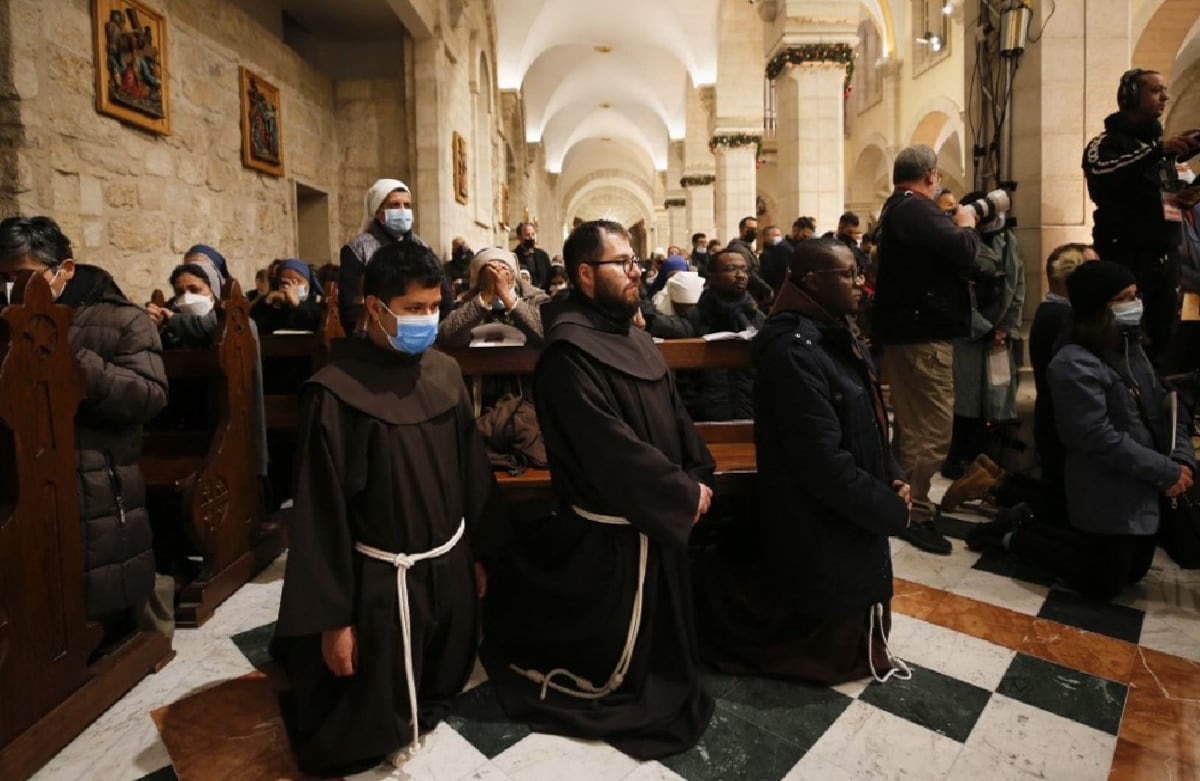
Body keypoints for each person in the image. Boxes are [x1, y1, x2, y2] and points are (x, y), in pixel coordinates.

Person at [480, 219, 716, 760]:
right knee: (621, 677)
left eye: (636, 261)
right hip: (611, 541)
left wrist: (697, 473)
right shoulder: (569, 352)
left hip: (654, 523)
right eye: (624, 263)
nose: (638, 271)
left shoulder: (633, 335)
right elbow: (611, 450)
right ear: (586, 274)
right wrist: (679, 494)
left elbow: (676, 417)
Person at [272, 241, 500, 776]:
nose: (427, 320)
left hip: (445, 562)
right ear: (374, 307)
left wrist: (477, 553)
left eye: (433, 307)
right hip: (378, 581)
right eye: (414, 309)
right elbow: (320, 517)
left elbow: (472, 476)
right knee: (351, 730)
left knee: (441, 683)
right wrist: (334, 620)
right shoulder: (334, 393)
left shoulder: (443, 373)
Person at [694, 238, 912, 683]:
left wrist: (892, 474)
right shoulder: (794, 350)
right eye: (849, 274)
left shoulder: (834, 333)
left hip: (850, 506)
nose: (860, 282)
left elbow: (869, 417)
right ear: (812, 281)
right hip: (816, 518)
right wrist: (888, 509)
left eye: (859, 271)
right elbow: (821, 460)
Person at [968, 261, 1195, 600]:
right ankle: (1013, 536)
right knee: (1102, 585)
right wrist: (1163, 470)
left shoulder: (1131, 348)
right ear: (1097, 307)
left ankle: (1032, 519)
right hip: (1107, 487)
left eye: (1135, 296)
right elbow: (1095, 436)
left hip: (1143, 481)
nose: (1134, 305)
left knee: (1134, 572)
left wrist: (1181, 457)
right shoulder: (1073, 361)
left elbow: (1164, 405)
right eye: (1123, 298)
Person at [0, 216, 167, 633]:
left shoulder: (121, 320)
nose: (10, 288)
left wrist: (74, 365)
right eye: (2, 278)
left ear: (64, 270)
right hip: (19, 475)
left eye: (22, 277)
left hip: (94, 477)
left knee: (92, 593)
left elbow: (149, 394)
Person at [872, 145, 979, 554]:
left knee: (913, 428)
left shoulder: (895, 209)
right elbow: (965, 252)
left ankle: (903, 501)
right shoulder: (916, 208)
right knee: (931, 431)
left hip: (905, 335)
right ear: (931, 176)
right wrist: (966, 223)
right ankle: (914, 512)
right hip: (923, 337)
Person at [1082, 69, 1200, 364]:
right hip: (1126, 256)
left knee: (1163, 341)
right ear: (1131, 95)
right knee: (1123, 339)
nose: (1165, 97)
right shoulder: (1104, 144)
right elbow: (1103, 171)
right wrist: (1158, 152)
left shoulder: (1158, 152)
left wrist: (1189, 196)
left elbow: (1160, 198)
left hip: (1166, 259)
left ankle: (1154, 399)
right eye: (1156, 90)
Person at [943, 198, 1026, 478]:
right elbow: (956, 295)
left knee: (998, 398)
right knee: (965, 399)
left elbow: (1017, 286)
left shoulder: (1007, 240)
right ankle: (960, 459)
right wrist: (985, 330)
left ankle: (992, 459)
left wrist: (1006, 328)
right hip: (969, 336)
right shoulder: (959, 243)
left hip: (1000, 335)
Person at [654, 250, 765, 421]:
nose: (741, 275)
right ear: (711, 276)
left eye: (744, 269)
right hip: (705, 416)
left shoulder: (756, 318)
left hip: (752, 413)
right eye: (731, 269)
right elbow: (683, 378)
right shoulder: (696, 317)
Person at [339, 178, 431, 331]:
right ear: (377, 212)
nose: (402, 211)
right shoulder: (358, 249)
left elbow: (443, 295)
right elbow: (349, 307)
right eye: (394, 205)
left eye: (407, 205)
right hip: (374, 334)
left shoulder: (421, 246)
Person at [437, 248, 549, 349]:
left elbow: (546, 334)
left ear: (512, 276)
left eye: (502, 270)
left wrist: (507, 297)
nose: (497, 276)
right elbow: (445, 337)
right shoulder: (466, 302)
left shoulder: (536, 298)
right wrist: (486, 296)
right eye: (490, 273)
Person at [146, 262, 221, 348]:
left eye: (195, 289)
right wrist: (156, 325)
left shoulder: (225, 312)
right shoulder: (171, 312)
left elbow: (208, 325)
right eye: (180, 292)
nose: (187, 296)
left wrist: (171, 319)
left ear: (211, 290)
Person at [251, 259, 325, 334]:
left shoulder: (317, 301)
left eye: (295, 281)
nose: (288, 286)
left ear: (307, 283)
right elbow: (256, 327)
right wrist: (269, 303)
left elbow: (317, 323)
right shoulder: (275, 303)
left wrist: (297, 304)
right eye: (284, 281)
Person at [514, 221, 553, 290]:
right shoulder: (514, 257)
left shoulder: (542, 255)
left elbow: (550, 276)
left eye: (533, 234)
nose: (531, 238)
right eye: (527, 235)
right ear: (519, 237)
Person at [760, 224, 793, 293]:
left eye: (779, 235)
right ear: (766, 237)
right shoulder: (766, 254)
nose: (778, 238)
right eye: (775, 235)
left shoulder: (783, 248)